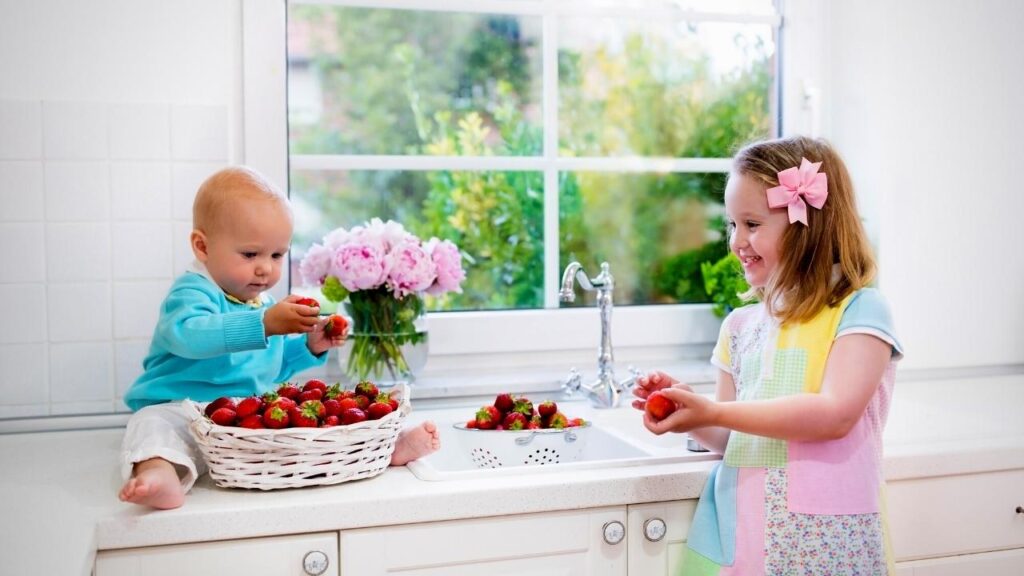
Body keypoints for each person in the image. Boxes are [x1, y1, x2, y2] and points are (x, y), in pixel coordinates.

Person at [633, 136, 903, 574]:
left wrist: (714, 412)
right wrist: (693, 411)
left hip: (829, 548)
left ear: (806, 226)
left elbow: (835, 415)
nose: (737, 241)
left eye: (752, 224)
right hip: (748, 543)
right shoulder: (740, 327)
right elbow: (732, 439)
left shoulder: (860, 311)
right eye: (731, 225)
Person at [118, 167, 440, 510]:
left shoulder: (263, 305)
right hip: (178, 408)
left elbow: (272, 365)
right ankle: (158, 475)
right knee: (153, 428)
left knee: (294, 438)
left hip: (240, 420)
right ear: (202, 246)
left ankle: (383, 450)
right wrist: (264, 324)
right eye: (250, 254)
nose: (265, 269)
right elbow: (189, 336)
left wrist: (309, 345)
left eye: (276, 255)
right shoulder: (193, 292)